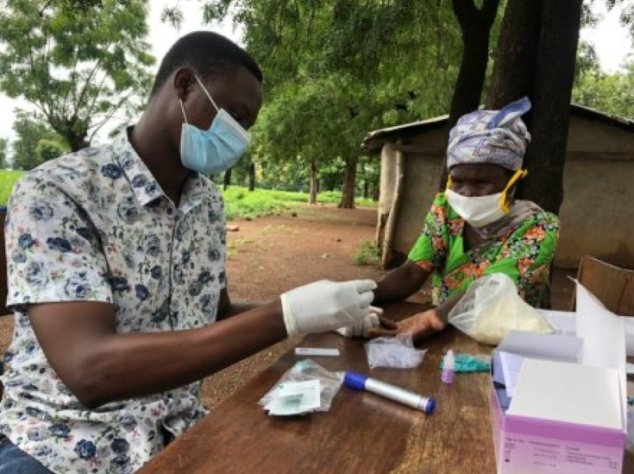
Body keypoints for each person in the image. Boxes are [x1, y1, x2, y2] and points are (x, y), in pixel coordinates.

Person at [0, 32, 375, 474]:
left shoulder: (207, 203)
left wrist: (322, 315)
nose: (238, 138)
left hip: (175, 427)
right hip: (59, 440)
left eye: (246, 127)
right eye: (233, 115)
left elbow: (212, 313)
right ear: (183, 86)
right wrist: (287, 314)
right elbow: (88, 370)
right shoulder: (60, 190)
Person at [369, 97, 559, 341]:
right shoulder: (446, 211)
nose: (466, 193)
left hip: (505, 342)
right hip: (446, 332)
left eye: (481, 182)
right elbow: (413, 271)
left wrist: (433, 318)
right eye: (457, 181)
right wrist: (359, 296)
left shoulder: (538, 228)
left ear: (514, 182)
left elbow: (493, 289)